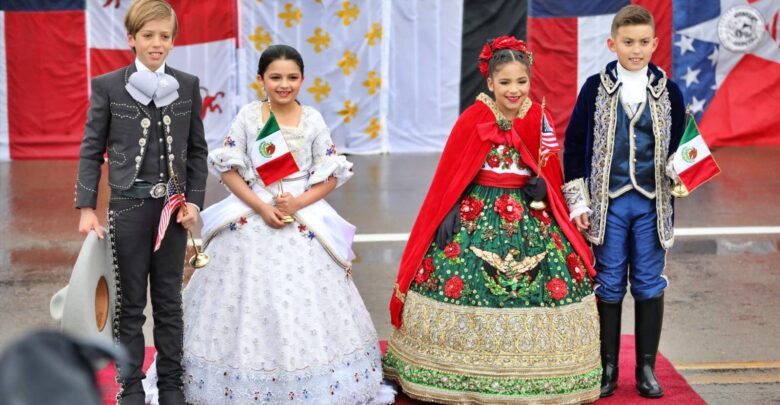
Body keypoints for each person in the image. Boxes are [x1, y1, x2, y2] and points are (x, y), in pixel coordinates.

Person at [144, 44, 394, 404]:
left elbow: (329, 176)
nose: (284, 84)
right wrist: (261, 207)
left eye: (292, 77)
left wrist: (297, 202)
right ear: (260, 79)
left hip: (302, 212)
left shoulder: (312, 120)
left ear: (302, 79)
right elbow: (228, 171)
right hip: (252, 208)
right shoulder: (248, 117)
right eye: (275, 77)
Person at [385, 36, 601, 404]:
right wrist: (449, 209)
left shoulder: (537, 115)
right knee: (459, 276)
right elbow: (453, 173)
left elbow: (549, 168)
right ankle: (456, 371)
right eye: (505, 83)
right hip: (478, 211)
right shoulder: (474, 118)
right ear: (490, 82)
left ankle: (542, 371)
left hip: (529, 214)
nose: (514, 90)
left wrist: (543, 191)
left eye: (521, 82)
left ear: (530, 81)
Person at [74, 0, 208, 403]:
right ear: (131, 38)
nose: (156, 44)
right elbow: (91, 147)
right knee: (130, 304)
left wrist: (194, 202)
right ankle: (130, 388)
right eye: (148, 36)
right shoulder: (109, 85)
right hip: (128, 208)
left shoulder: (186, 84)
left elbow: (197, 151)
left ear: (172, 40)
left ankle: (171, 387)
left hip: (171, 209)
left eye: (164, 36)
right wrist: (86, 208)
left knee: (169, 301)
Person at [562, 5, 686, 399]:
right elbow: (575, 146)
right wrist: (579, 202)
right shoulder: (594, 89)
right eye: (628, 42)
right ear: (612, 43)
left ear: (655, 43)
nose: (636, 49)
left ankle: (646, 366)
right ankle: (608, 365)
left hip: (651, 204)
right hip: (608, 204)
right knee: (610, 281)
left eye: (644, 42)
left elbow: (684, 144)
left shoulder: (669, 91)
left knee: (649, 281)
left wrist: (684, 171)